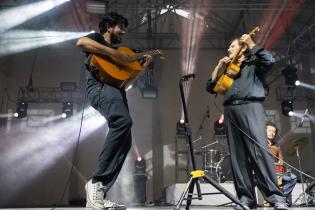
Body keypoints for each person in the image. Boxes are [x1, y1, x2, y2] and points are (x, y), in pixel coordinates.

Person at [76, 12, 152, 210]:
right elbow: (80, 43)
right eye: (120, 27)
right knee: (122, 122)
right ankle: (96, 182)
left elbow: (125, 84)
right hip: (100, 87)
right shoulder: (97, 39)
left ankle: (100, 193)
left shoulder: (123, 53)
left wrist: (141, 70)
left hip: (116, 91)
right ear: (109, 27)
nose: (123, 31)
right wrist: (113, 53)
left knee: (125, 141)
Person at [206, 34, 288, 210]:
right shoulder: (228, 70)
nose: (229, 49)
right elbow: (211, 86)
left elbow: (270, 60)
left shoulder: (254, 65)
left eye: (232, 46)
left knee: (259, 152)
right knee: (238, 156)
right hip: (230, 110)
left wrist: (252, 44)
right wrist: (219, 66)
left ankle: (276, 198)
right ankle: (246, 199)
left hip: (251, 107)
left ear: (242, 49)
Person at [266, 121, 297, 205]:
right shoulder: (260, 143)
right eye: (269, 131)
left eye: (274, 131)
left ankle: (281, 198)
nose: (272, 133)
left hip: (277, 173)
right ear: (264, 131)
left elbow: (281, 159)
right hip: (265, 172)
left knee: (293, 178)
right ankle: (278, 200)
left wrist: (281, 162)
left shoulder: (277, 146)